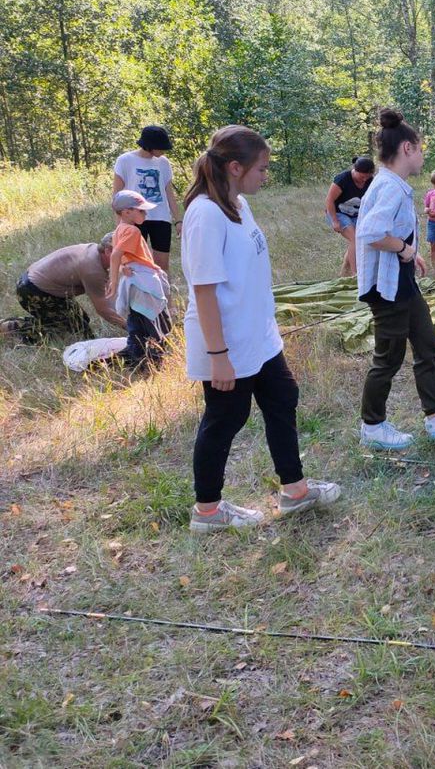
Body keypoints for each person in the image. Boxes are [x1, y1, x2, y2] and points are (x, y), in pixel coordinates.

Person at [182, 125, 341, 533]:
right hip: (228, 345)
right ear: (235, 167)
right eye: (262, 169)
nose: (266, 176)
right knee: (225, 419)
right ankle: (208, 511)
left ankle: (295, 491)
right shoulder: (205, 213)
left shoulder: (236, 203)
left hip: (258, 336)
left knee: (283, 396)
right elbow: (203, 292)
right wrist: (218, 357)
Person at [355, 108, 435, 450]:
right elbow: (370, 232)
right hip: (387, 290)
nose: (423, 156)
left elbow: (390, 232)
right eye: (421, 149)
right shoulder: (390, 186)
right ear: (407, 148)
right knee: (389, 358)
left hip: (402, 284)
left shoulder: (392, 184)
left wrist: (412, 253)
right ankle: (373, 426)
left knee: (427, 345)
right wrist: (405, 250)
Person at [1, 234, 124, 342]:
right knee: (72, 332)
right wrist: (131, 327)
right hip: (33, 291)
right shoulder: (93, 270)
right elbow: (103, 309)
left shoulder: (94, 250)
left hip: (34, 284)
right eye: (124, 253)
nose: (127, 257)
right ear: (108, 251)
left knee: (81, 321)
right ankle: (9, 328)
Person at [107, 189, 170, 368]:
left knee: (136, 325)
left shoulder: (119, 230)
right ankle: (157, 362)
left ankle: (138, 362)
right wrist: (114, 281)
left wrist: (121, 268)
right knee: (156, 324)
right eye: (141, 210)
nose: (145, 213)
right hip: (143, 285)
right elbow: (116, 255)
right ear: (127, 212)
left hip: (133, 285)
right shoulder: (132, 231)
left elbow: (120, 257)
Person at [112, 125, 181, 277]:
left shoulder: (163, 163)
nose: (164, 151)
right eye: (160, 147)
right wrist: (120, 226)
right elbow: (117, 197)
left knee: (162, 265)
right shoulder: (125, 160)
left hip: (161, 217)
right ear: (150, 146)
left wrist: (178, 221)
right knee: (135, 262)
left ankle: (165, 298)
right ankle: (139, 297)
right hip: (134, 218)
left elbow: (169, 193)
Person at [324, 156, 375, 277]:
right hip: (337, 213)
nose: (364, 179)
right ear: (355, 170)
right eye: (362, 176)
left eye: (367, 177)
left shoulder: (370, 180)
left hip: (356, 214)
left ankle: (344, 271)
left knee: (361, 239)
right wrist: (335, 221)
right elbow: (329, 200)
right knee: (355, 239)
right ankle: (356, 275)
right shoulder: (342, 179)